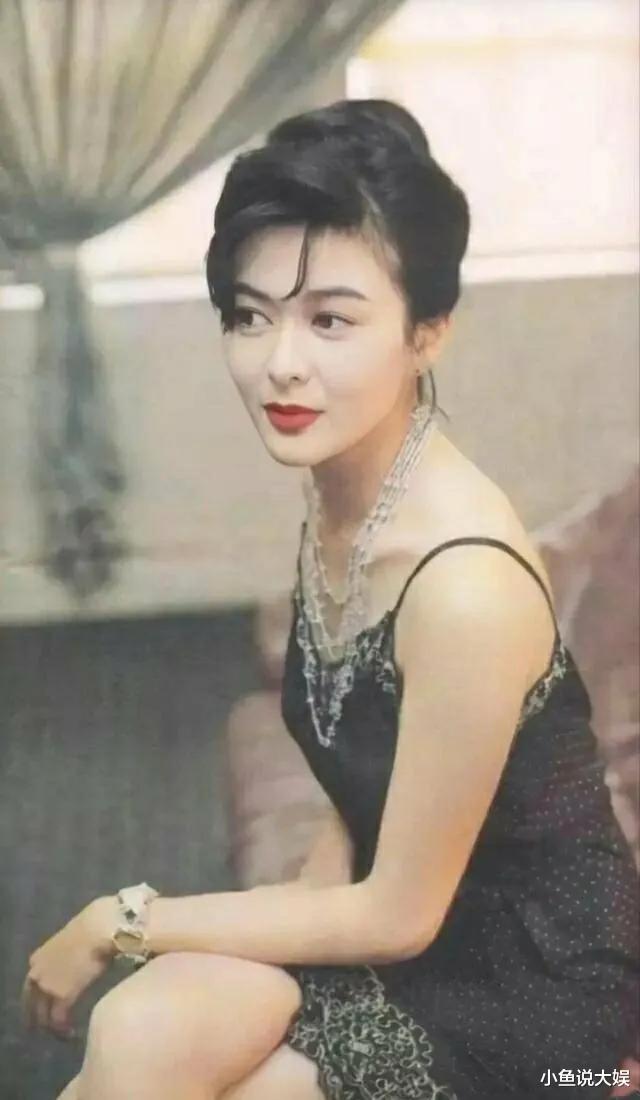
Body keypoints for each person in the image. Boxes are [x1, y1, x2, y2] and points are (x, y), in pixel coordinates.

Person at [26, 99, 638, 1100]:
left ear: (428, 331)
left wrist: (122, 918)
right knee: (139, 1031)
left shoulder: (465, 585)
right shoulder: (345, 493)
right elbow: (362, 784)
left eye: (330, 319)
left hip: (538, 1003)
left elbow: (396, 916)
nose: (279, 361)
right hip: (395, 910)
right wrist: (257, 916)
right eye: (250, 314)